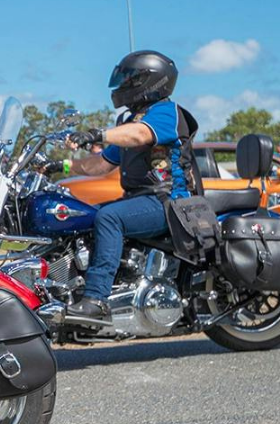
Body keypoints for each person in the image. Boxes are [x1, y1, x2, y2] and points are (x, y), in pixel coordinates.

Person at [58, 50, 198, 326]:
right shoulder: (129, 121)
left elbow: (141, 134)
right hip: (139, 199)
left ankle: (96, 300)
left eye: (128, 80)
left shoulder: (166, 112)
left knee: (109, 217)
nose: (122, 87)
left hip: (168, 201)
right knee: (82, 216)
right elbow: (101, 165)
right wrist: (61, 167)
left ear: (148, 82)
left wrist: (97, 134)